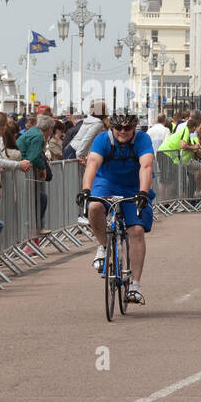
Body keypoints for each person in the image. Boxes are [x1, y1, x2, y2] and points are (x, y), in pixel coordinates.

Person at [77, 109, 154, 304]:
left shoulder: (142, 139)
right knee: (94, 207)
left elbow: (146, 166)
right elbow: (93, 163)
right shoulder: (103, 139)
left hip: (134, 186)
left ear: (134, 127)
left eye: (127, 127)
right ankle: (103, 247)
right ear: (112, 127)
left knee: (136, 231)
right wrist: (86, 189)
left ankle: (135, 286)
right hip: (107, 183)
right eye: (118, 127)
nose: (123, 131)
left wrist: (143, 193)